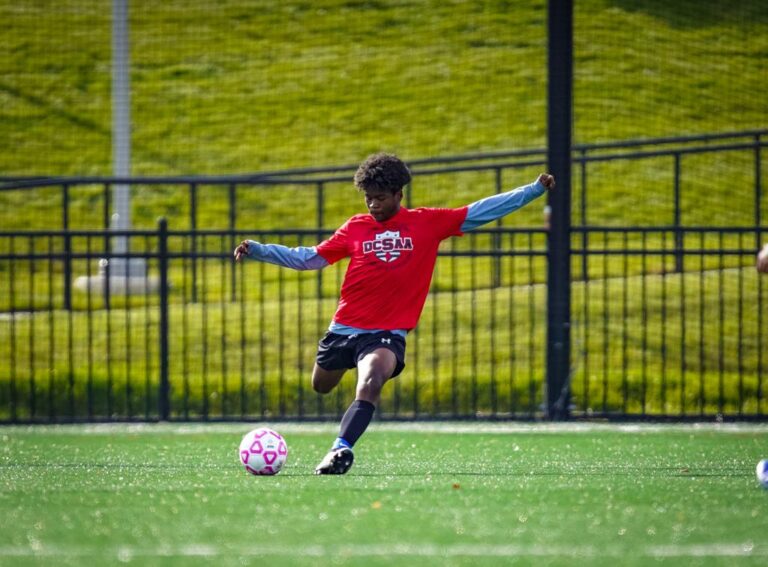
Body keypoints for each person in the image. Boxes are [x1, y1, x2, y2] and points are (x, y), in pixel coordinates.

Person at [234, 153, 555, 474]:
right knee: (321, 385)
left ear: (399, 195)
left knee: (372, 381)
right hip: (344, 329)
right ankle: (344, 391)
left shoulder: (427, 222)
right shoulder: (355, 228)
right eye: (368, 198)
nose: (373, 204)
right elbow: (309, 259)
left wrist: (533, 190)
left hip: (386, 332)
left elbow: (481, 211)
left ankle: (339, 450)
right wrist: (259, 249)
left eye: (380, 198)